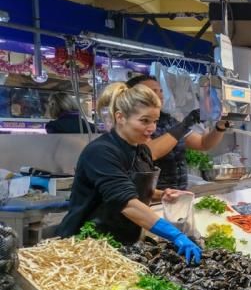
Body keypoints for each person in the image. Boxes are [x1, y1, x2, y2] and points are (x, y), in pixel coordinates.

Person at [56, 82, 201, 263]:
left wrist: (163, 194)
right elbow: (126, 202)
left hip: (122, 243)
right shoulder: (101, 152)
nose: (152, 128)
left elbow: (136, 190)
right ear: (120, 117)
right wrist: (176, 235)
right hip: (87, 245)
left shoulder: (142, 151)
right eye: (144, 120)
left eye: (155, 121)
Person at [125, 75, 228, 190]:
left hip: (177, 192)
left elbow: (203, 144)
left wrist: (220, 127)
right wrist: (184, 125)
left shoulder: (169, 120)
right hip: (153, 194)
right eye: (153, 91)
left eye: (161, 91)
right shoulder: (132, 123)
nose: (160, 95)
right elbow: (149, 153)